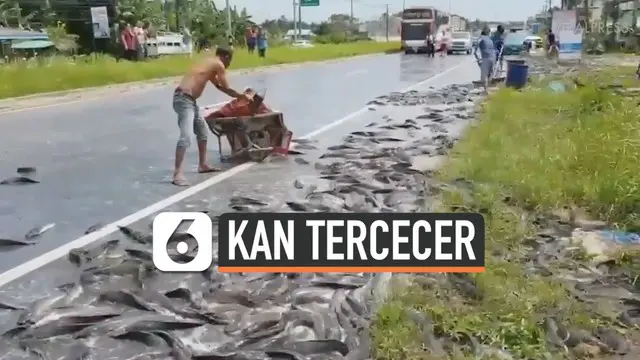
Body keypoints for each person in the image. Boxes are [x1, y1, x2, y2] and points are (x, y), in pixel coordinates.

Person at [171, 47, 251, 186]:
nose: (227, 66)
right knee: (186, 136)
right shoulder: (218, 64)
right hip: (184, 99)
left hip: (189, 100)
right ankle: (177, 173)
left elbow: (219, 86)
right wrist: (242, 96)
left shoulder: (208, 63)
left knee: (202, 132)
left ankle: (203, 165)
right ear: (226, 57)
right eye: (229, 62)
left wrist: (238, 96)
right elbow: (226, 86)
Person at [474, 27, 496, 94]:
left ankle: (486, 90)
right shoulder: (490, 39)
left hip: (485, 58)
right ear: (488, 33)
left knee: (485, 75)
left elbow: (476, 50)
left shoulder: (481, 38)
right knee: (489, 74)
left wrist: (478, 59)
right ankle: (487, 89)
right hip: (492, 58)